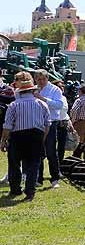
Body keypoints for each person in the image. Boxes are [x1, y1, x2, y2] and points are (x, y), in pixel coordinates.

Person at [1, 72, 50, 201]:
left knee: (14, 164)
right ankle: (30, 191)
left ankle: (15, 189)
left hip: (17, 137)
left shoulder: (13, 105)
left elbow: (7, 126)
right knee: (34, 164)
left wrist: (3, 141)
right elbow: (47, 125)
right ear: (32, 90)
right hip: (36, 136)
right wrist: (42, 138)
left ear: (20, 92)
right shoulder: (42, 104)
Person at [33, 70, 66, 188]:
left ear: (47, 78)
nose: (40, 82)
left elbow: (59, 105)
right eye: (38, 79)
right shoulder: (34, 89)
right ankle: (38, 179)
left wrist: (42, 98)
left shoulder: (55, 90)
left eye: (43, 79)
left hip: (51, 123)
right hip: (37, 124)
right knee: (38, 151)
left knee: (51, 151)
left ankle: (55, 179)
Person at [0, 84, 15, 187]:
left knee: (12, 154)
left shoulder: (8, 89)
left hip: (5, 126)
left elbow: (11, 103)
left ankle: (11, 176)